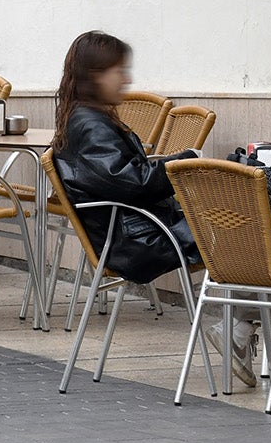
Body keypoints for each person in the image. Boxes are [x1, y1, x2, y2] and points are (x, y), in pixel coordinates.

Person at [52, 29, 203, 290]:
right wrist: (186, 162)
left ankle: (238, 321)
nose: (126, 79)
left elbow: (125, 180)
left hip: (131, 234)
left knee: (235, 225)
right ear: (95, 76)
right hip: (139, 241)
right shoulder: (91, 126)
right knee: (237, 228)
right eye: (119, 71)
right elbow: (134, 182)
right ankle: (239, 323)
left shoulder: (81, 118)